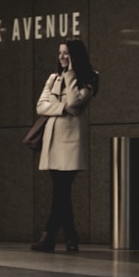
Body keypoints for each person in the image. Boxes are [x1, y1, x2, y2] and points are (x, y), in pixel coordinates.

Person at [30, 38, 99, 253]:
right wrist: (62, 109)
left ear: (75, 56)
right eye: (60, 53)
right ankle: (70, 237)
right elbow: (41, 106)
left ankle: (49, 236)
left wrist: (70, 74)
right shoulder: (53, 78)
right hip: (53, 141)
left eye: (66, 53)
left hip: (71, 142)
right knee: (62, 192)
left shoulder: (89, 78)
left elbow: (76, 101)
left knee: (61, 190)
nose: (62, 57)